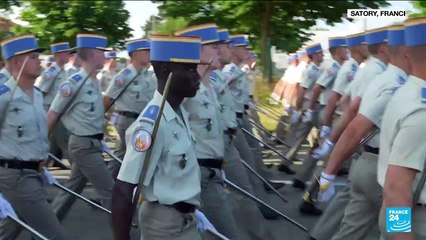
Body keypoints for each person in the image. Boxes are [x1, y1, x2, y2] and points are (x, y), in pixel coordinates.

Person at [315, 24, 410, 240]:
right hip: (389, 176)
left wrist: (329, 171)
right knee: (399, 230)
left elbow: (350, 108)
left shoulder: (386, 78)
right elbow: (356, 124)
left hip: (371, 166)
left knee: (353, 231)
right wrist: (329, 171)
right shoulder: (398, 85)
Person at [112, 34, 205, 240]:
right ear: (166, 71)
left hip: (186, 219)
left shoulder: (179, 113)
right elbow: (124, 187)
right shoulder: (151, 123)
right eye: (189, 69)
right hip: (163, 226)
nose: (197, 76)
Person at [176, 23, 241, 240]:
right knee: (225, 232)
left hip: (212, 170)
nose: (219, 51)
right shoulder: (186, 90)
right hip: (196, 174)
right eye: (212, 46)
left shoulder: (209, 87)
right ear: (198, 51)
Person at [0, 34, 68, 239]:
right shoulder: (4, 96)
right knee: (52, 234)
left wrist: (41, 165)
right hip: (15, 176)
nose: (39, 61)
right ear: (17, 62)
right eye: (33, 57)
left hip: (34, 173)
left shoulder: (37, 94)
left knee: (11, 229)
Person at [47, 33, 115, 221]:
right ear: (93, 54)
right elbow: (53, 113)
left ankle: (47, 226)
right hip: (83, 146)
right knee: (111, 193)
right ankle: (125, 232)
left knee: (71, 189)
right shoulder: (74, 83)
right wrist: (39, 147)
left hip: (92, 143)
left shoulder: (94, 81)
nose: (105, 56)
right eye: (102, 52)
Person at [378, 16, 426, 240]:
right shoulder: (421, 111)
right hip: (416, 220)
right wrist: (402, 235)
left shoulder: (409, 92)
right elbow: (397, 187)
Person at [104, 39, 157, 177]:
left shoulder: (148, 76)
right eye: (146, 51)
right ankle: (110, 186)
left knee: (130, 154)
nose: (150, 54)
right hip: (127, 120)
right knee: (126, 154)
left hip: (142, 120)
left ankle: (117, 185)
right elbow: (108, 99)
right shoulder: (124, 76)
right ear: (135, 54)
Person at [320, 32, 369, 139]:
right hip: (342, 118)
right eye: (365, 44)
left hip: (346, 118)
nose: (369, 47)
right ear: (358, 48)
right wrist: (326, 124)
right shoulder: (348, 69)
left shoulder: (356, 67)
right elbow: (334, 97)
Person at [36, 42, 72, 164]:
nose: (69, 55)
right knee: (66, 142)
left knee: (51, 143)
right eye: (66, 53)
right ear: (58, 54)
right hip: (52, 112)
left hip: (60, 112)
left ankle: (42, 166)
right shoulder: (51, 72)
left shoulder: (63, 72)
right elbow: (41, 92)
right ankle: (80, 169)